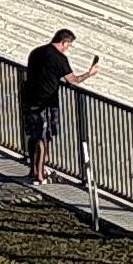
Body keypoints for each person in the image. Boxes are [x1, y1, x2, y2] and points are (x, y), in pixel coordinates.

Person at [18, 27, 94, 183]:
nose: (69, 48)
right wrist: (89, 73)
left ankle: (34, 170)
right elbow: (73, 81)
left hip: (29, 98)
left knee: (34, 136)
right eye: (69, 45)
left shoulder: (36, 52)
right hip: (45, 102)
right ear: (64, 42)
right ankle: (39, 176)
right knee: (43, 138)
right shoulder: (59, 59)